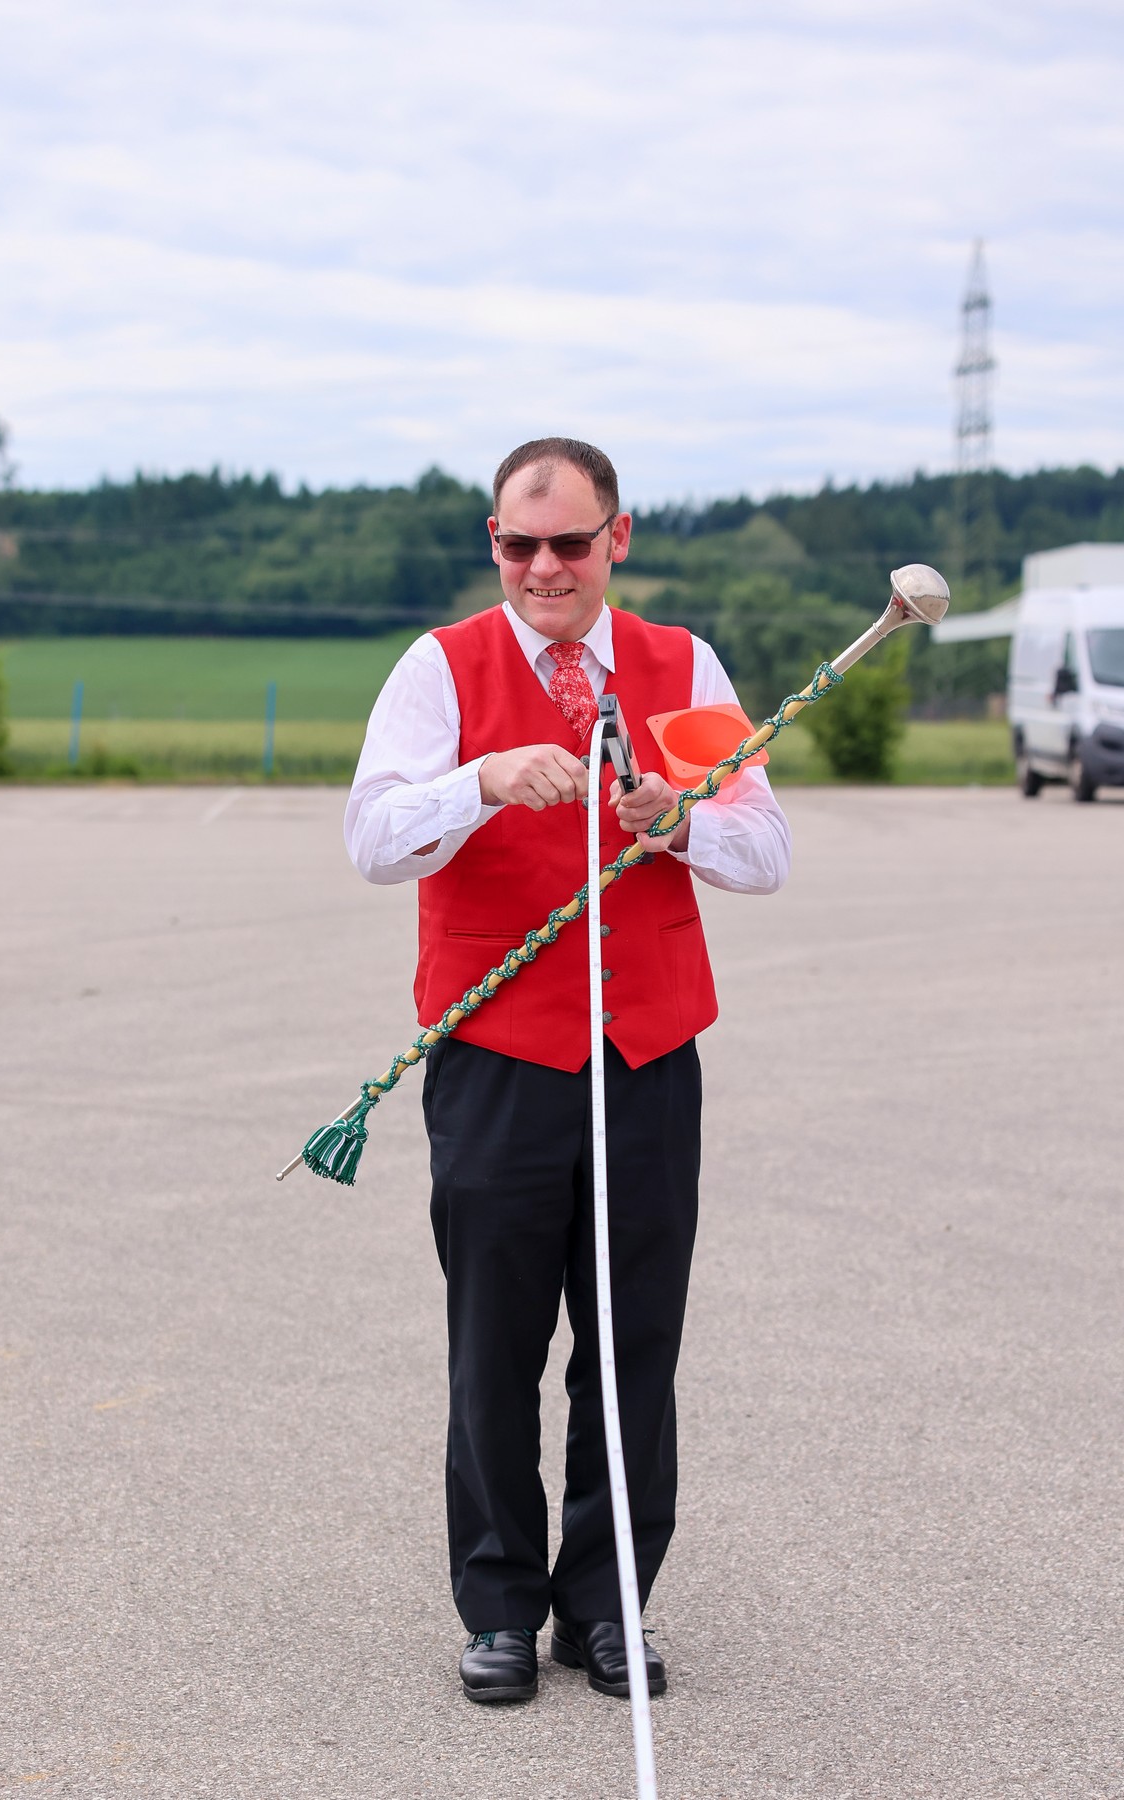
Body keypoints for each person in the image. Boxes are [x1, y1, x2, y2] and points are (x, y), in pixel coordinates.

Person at [345, 438, 790, 1705]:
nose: (543, 567)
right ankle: (497, 1602)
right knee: (493, 1342)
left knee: (633, 1342)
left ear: (617, 541)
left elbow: (765, 849)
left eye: (569, 544)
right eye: (517, 545)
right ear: (495, 546)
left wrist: (685, 817)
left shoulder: (681, 666)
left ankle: (606, 1606)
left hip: (648, 1057)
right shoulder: (441, 667)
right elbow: (372, 840)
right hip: (494, 1058)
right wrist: (479, 781)